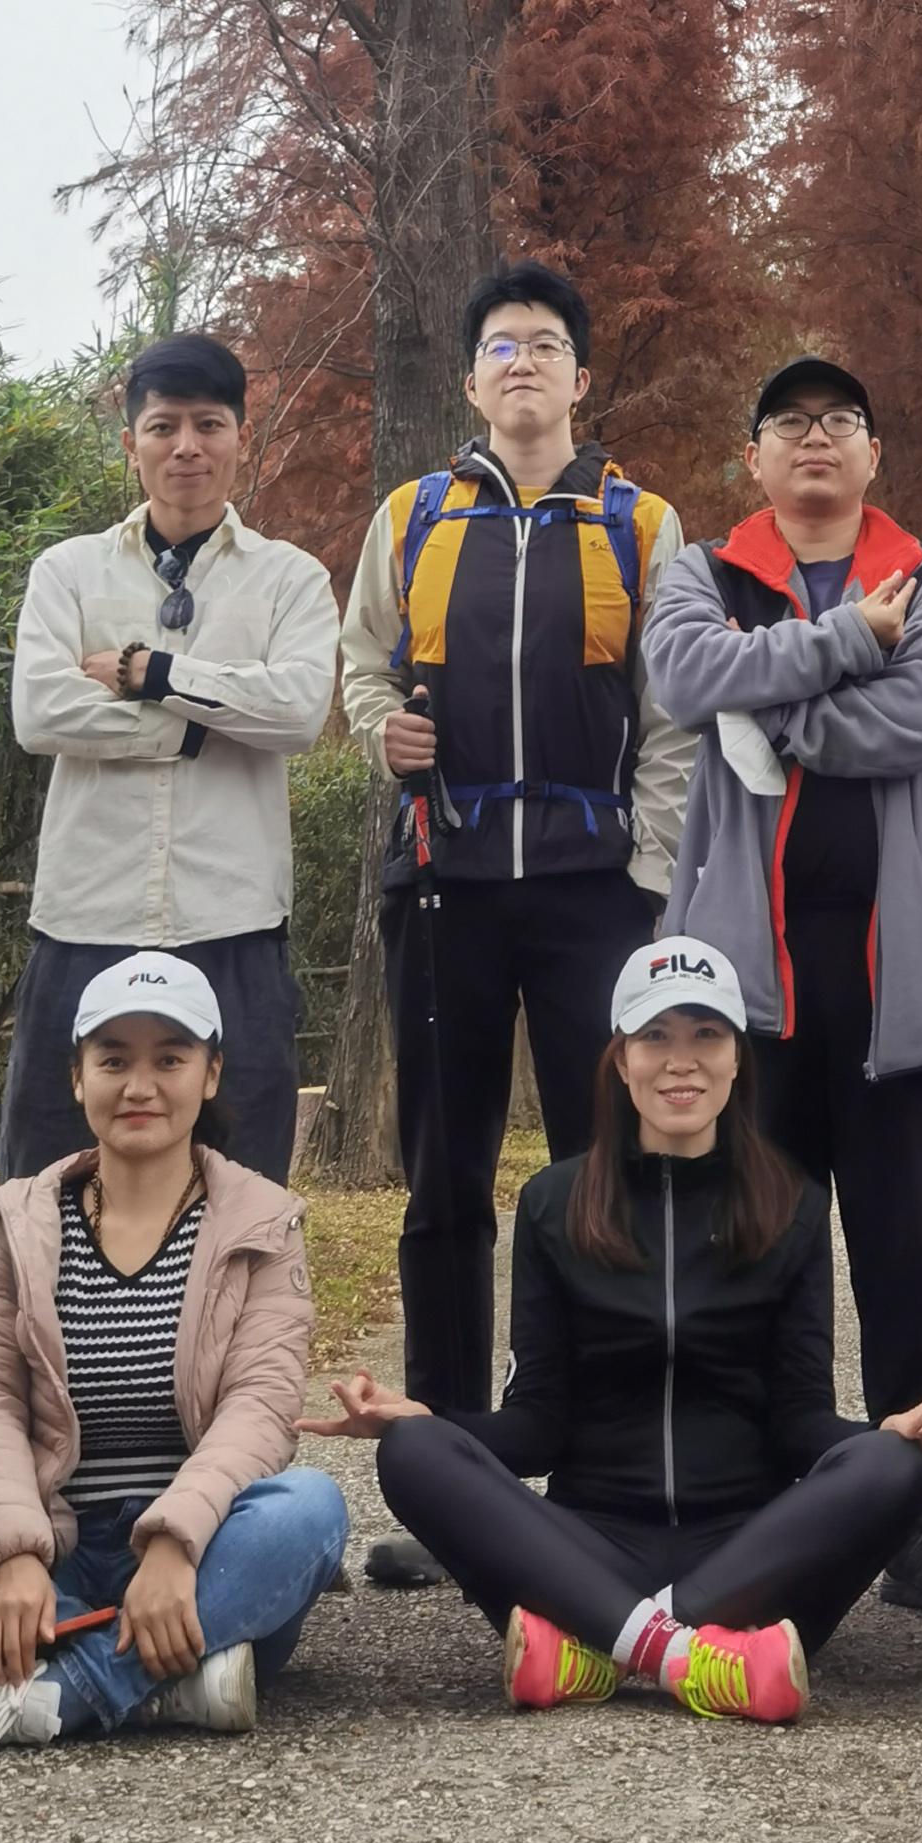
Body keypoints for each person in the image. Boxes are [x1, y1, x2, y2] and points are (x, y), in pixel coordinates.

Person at [314, 936, 922, 1721]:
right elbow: (537, 1427)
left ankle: (600, 1648)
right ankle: (693, 1658)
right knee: (412, 1452)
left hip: (747, 1552)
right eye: (655, 1036)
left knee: (896, 1467)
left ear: (737, 1059)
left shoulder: (793, 1204)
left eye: (706, 1035)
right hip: (587, 1547)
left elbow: (798, 1422)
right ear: (621, 1061)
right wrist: (427, 1420)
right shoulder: (553, 1204)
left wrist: (885, 1435)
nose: (680, 1061)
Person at [338, 258, 691, 1580]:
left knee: (606, 1176)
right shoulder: (414, 516)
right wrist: (384, 732)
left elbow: (674, 713)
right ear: (472, 378)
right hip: (448, 884)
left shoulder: (641, 523)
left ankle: (605, 1471)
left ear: (581, 377)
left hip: (597, 892)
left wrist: (650, 879)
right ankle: (452, 1482)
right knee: (446, 1181)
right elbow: (362, 662)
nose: (523, 361)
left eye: (546, 343)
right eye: (502, 344)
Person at [644, 351, 922, 1634]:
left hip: (894, 982)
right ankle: (759, 1506)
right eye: (789, 422)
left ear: (872, 452)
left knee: (905, 1259)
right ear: (753, 456)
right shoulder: (703, 569)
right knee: (755, 1253)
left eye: (840, 420)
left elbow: (918, 718)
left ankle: (921, 1521)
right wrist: (849, 641)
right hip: (747, 995)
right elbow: (686, 680)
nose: (815, 438)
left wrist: (773, 710)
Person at [0, 950, 347, 1752]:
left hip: (203, 1560)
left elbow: (259, 1409)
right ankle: (168, 1682)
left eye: (170, 1060)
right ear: (78, 1078)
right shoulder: (18, 1223)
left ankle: (52, 1694)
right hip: (57, 1556)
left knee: (309, 1511)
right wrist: (13, 1554)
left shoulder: (260, 1224)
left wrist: (173, 1544)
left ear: (211, 1074)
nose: (139, 1086)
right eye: (113, 1061)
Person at [0, 332, 339, 1183]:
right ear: (131, 442)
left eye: (208, 424)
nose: (186, 446)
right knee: (46, 1185)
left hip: (234, 922)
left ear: (240, 438)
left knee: (241, 1187)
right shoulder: (68, 572)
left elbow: (297, 711)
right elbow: (41, 711)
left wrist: (148, 675)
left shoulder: (290, 579)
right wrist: (200, 724)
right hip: (84, 916)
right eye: (163, 427)